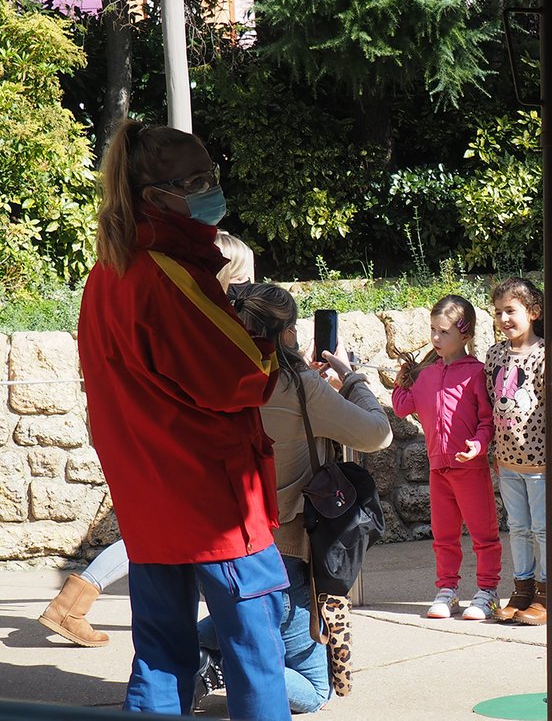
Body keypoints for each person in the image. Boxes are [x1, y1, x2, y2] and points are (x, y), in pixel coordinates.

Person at [76, 119, 290, 719]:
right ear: (155, 197)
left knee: (160, 655)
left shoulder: (109, 274)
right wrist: (268, 332)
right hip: (210, 494)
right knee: (255, 650)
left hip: (150, 492)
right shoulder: (166, 272)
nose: (207, 188)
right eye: (193, 180)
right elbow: (241, 377)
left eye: (209, 175)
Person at [37, 232, 255, 650]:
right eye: (244, 280)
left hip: (134, 438)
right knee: (158, 534)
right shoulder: (193, 316)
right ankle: (74, 600)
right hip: (167, 448)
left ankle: (74, 600)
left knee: (154, 532)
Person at [199, 283, 393, 713]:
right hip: (283, 544)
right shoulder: (299, 386)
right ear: (286, 333)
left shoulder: (211, 379)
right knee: (312, 689)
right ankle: (206, 663)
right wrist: (350, 376)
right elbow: (377, 434)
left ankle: (190, 654)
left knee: (247, 613)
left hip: (223, 533)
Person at [392, 295, 500, 620]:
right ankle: (448, 590)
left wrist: (479, 446)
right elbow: (401, 406)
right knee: (444, 536)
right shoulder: (425, 374)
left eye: (444, 332)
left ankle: (488, 592)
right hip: (438, 470)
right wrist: (402, 379)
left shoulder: (477, 373)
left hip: (471, 469)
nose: (436, 338)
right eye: (433, 330)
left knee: (484, 534)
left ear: (465, 335)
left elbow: (487, 420)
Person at [486, 277, 552, 625]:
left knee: (543, 529)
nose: (504, 318)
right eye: (498, 312)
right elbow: (491, 403)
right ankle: (521, 588)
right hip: (508, 460)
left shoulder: (546, 355)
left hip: (540, 463)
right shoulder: (495, 354)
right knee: (518, 527)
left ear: (534, 312)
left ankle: (545, 591)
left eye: (511, 310)